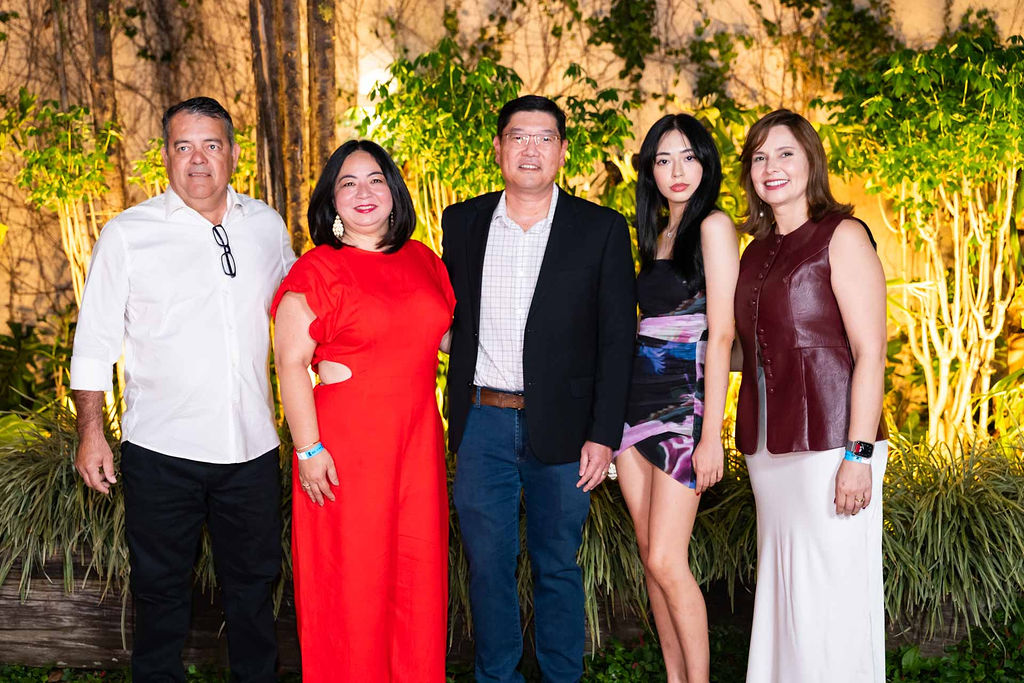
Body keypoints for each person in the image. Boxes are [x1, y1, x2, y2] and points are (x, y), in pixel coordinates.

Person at [70, 96, 295, 682]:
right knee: (160, 594)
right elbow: (94, 343)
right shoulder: (128, 234)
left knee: (254, 592)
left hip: (250, 448)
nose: (198, 159)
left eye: (211, 145)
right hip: (161, 451)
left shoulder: (266, 226)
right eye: (183, 146)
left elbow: (302, 313)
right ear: (166, 156)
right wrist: (91, 433)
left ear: (234, 154)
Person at [442, 95, 636, 683]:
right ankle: (496, 676)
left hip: (567, 428)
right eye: (518, 137)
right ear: (498, 147)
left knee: (557, 565)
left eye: (544, 138)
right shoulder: (462, 222)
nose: (531, 149)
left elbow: (616, 341)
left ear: (563, 151)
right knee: (487, 568)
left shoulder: (600, 229)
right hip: (483, 422)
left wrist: (604, 435)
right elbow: (443, 316)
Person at [271, 139, 455, 681]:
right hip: (345, 448)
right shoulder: (316, 269)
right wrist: (308, 449)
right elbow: (290, 363)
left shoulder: (424, 260)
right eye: (347, 183)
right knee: (353, 581)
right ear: (332, 201)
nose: (363, 192)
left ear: (394, 192)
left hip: (418, 441)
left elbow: (452, 340)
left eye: (375, 179)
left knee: (416, 578)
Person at [735, 109, 888, 682]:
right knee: (787, 600)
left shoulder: (842, 235)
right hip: (769, 451)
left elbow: (871, 350)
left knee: (832, 599)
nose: (771, 167)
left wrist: (858, 454)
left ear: (811, 162)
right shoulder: (754, 252)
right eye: (759, 157)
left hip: (833, 446)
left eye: (785, 153)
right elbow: (750, 351)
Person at [614, 114, 738, 683]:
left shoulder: (714, 225)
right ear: (650, 171)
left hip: (684, 407)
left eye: (688, 156)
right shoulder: (658, 232)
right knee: (650, 561)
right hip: (634, 406)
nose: (676, 170)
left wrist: (712, 435)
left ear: (706, 162)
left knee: (668, 558)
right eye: (663, 160)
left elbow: (724, 334)